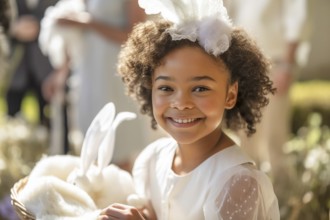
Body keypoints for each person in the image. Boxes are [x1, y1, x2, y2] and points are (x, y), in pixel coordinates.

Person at [97, 0, 280, 219]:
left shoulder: (237, 183)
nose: (181, 102)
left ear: (230, 95)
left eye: (200, 88)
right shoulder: (152, 160)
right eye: (166, 87)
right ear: (150, 89)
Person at [41, 0, 161, 168]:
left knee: (118, 146)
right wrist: (61, 72)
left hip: (114, 73)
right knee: (92, 144)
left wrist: (86, 22)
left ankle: (122, 189)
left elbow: (136, 34)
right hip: (88, 72)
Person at [224, 0, 308, 193]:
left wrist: (287, 66)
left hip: (276, 64)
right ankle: (249, 197)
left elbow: (297, 18)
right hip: (243, 64)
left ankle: (284, 201)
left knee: (273, 139)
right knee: (246, 137)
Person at [5, 0, 58, 127]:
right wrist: (13, 28)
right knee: (11, 122)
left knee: (49, 123)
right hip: (15, 67)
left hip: (47, 68)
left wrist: (39, 27)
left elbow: (65, 13)